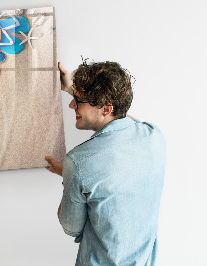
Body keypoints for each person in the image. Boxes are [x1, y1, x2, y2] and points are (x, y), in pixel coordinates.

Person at [45, 60, 166, 265]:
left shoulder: (78, 162)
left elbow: (71, 227)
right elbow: (122, 117)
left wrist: (70, 176)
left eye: (78, 100)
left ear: (106, 108)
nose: (71, 105)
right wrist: (71, 89)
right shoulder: (154, 136)